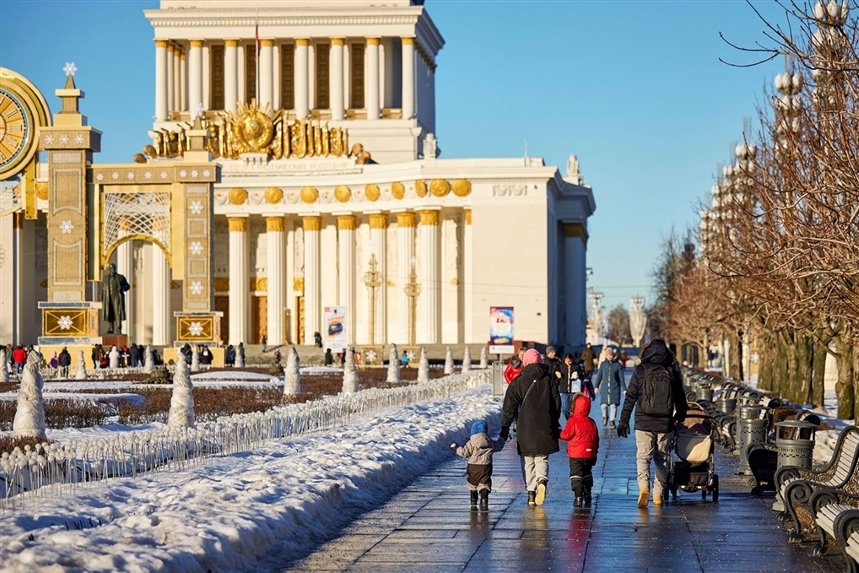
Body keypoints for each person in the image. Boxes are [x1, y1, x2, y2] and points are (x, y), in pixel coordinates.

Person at [617, 339, 688, 508]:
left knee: (643, 456)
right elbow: (680, 397)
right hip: (665, 423)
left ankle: (643, 487)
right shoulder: (671, 370)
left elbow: (630, 398)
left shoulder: (641, 370)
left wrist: (623, 421)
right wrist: (680, 416)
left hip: (643, 422)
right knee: (662, 458)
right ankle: (658, 493)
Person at [500, 348, 561, 507]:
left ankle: (531, 493)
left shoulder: (518, 381)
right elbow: (556, 403)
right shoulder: (549, 379)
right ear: (540, 361)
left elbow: (509, 407)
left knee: (528, 460)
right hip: (545, 424)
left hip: (525, 426)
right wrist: (554, 421)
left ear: (525, 361)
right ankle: (542, 480)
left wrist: (505, 428)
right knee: (542, 457)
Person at [451, 420, 506, 509]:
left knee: (472, 483)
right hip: (486, 467)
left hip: (473, 467)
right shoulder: (489, 441)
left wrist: (456, 448)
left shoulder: (471, 442)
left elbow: (464, 453)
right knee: (484, 483)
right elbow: (499, 446)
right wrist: (502, 438)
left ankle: (473, 500)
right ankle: (484, 500)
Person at [560, 393, 600, 508]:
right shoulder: (591, 422)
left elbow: (566, 435)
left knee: (576, 475)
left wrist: (558, 432)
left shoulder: (573, 421)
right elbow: (596, 438)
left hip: (576, 454)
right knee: (587, 474)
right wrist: (595, 451)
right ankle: (588, 495)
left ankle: (578, 498)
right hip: (589, 454)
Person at [592, 347, 625, 429]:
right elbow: (599, 376)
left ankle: (612, 421)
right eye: (608, 355)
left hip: (615, 388)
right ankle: (605, 416)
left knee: (613, 406)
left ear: (613, 355)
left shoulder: (618, 365)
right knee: (604, 405)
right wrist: (596, 386)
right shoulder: (603, 364)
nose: (609, 357)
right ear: (606, 355)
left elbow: (621, 378)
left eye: (611, 355)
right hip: (605, 388)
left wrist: (624, 389)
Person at [101, 263, 131, 334]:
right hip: (108, 297)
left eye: (114, 268)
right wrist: (101, 297)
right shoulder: (105, 278)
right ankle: (111, 328)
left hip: (117, 297)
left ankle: (118, 328)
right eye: (111, 268)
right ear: (109, 270)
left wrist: (122, 288)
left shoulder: (120, 277)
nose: (112, 270)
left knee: (118, 313)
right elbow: (102, 289)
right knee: (109, 312)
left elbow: (127, 286)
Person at [558, 353, 583, 421]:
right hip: (564, 390)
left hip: (574, 390)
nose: (568, 362)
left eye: (570, 361)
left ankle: (572, 421)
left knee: (573, 407)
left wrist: (578, 376)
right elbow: (555, 372)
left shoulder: (576, 367)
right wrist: (557, 373)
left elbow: (582, 376)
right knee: (564, 408)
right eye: (566, 361)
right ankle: (569, 420)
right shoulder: (561, 366)